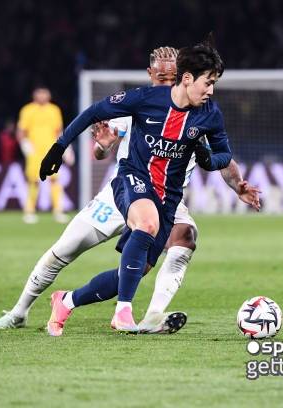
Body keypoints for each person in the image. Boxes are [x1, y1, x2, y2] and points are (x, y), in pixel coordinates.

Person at [38, 39, 259, 334]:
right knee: (146, 222)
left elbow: (223, 155)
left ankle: (66, 301)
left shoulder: (210, 114)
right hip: (134, 177)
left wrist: (209, 159)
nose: (211, 91)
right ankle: (123, 314)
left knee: (131, 273)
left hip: (169, 197)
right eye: (208, 83)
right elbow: (93, 112)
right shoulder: (146, 99)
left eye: (214, 84)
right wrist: (58, 147)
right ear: (187, 78)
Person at [17, 87, 70, 224]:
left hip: (51, 150)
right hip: (34, 151)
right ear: (34, 95)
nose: (42, 96)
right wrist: (24, 144)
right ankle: (29, 211)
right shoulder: (28, 110)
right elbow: (21, 131)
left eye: (44, 94)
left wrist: (66, 149)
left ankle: (58, 210)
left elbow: (59, 131)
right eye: (39, 94)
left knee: (54, 180)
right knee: (33, 181)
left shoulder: (54, 110)